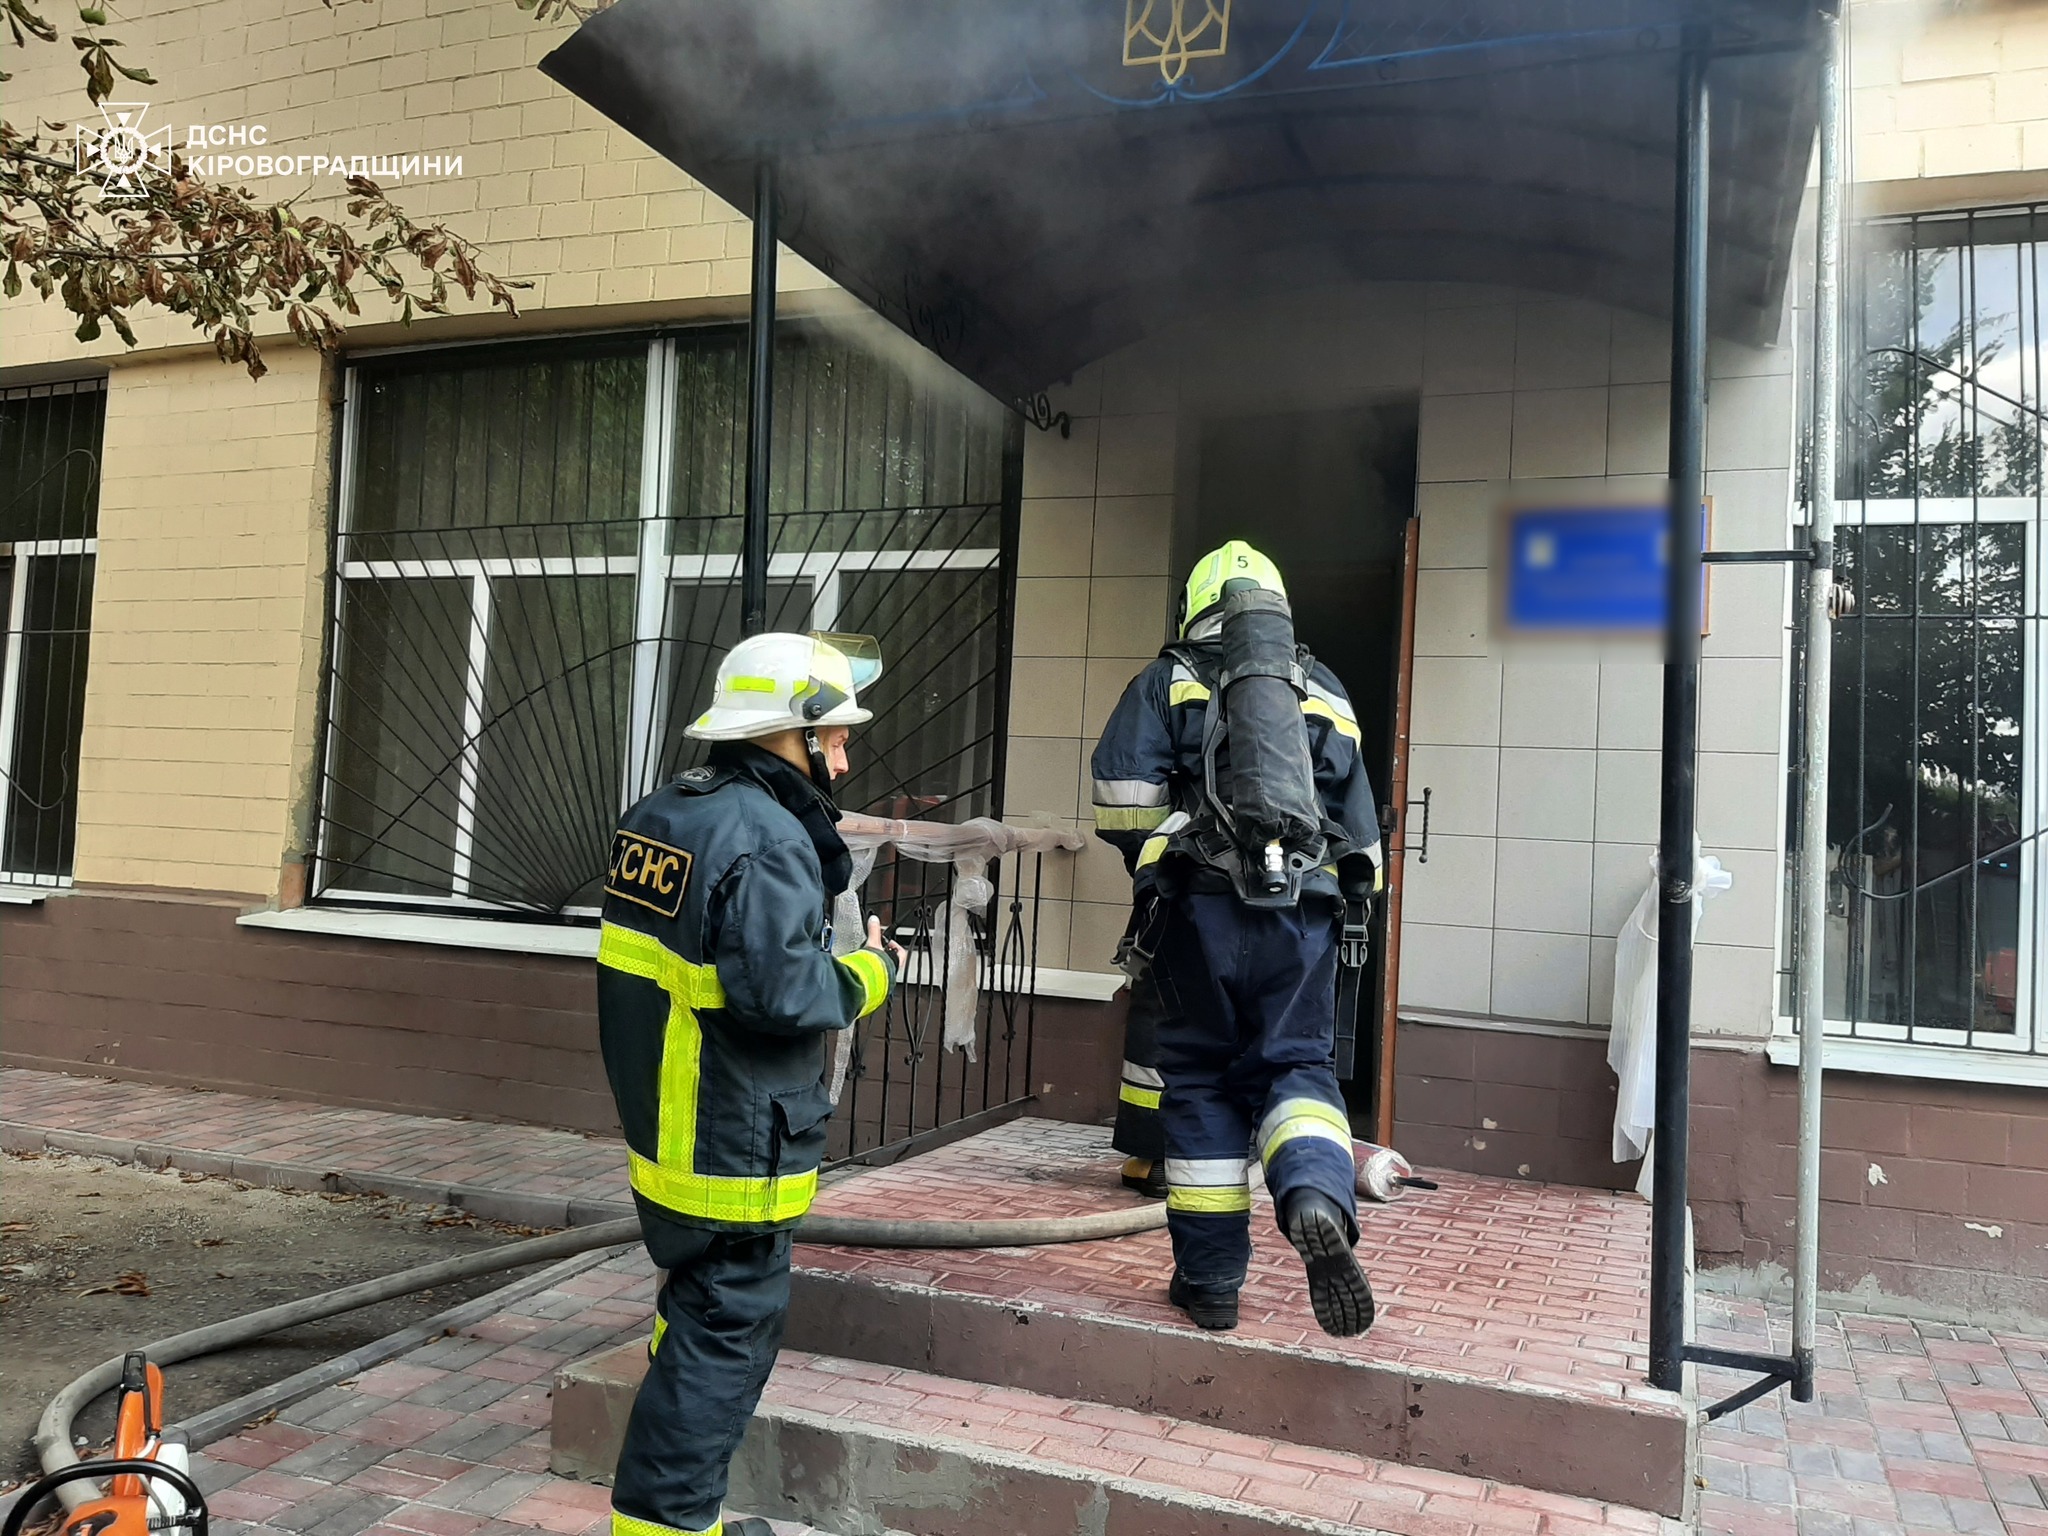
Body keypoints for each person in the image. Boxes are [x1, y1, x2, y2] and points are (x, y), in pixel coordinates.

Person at [597, 631, 903, 1536]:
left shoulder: (664, 814)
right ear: (788, 732)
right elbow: (782, 995)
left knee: (693, 1313)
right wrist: (871, 970)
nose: (843, 758)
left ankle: (676, 1518)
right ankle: (666, 1525)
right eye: (835, 738)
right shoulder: (768, 838)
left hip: (669, 1123)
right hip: (733, 1139)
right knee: (724, 1339)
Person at [1091, 541, 1383, 1337]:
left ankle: (1212, 1281)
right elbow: (1361, 834)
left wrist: (1167, 858)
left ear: (1195, 604)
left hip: (1198, 914)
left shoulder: (1168, 680)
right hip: (1303, 917)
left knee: (1200, 1085)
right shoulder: (1321, 685)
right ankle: (1315, 1195)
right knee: (1297, 1068)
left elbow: (1121, 804)